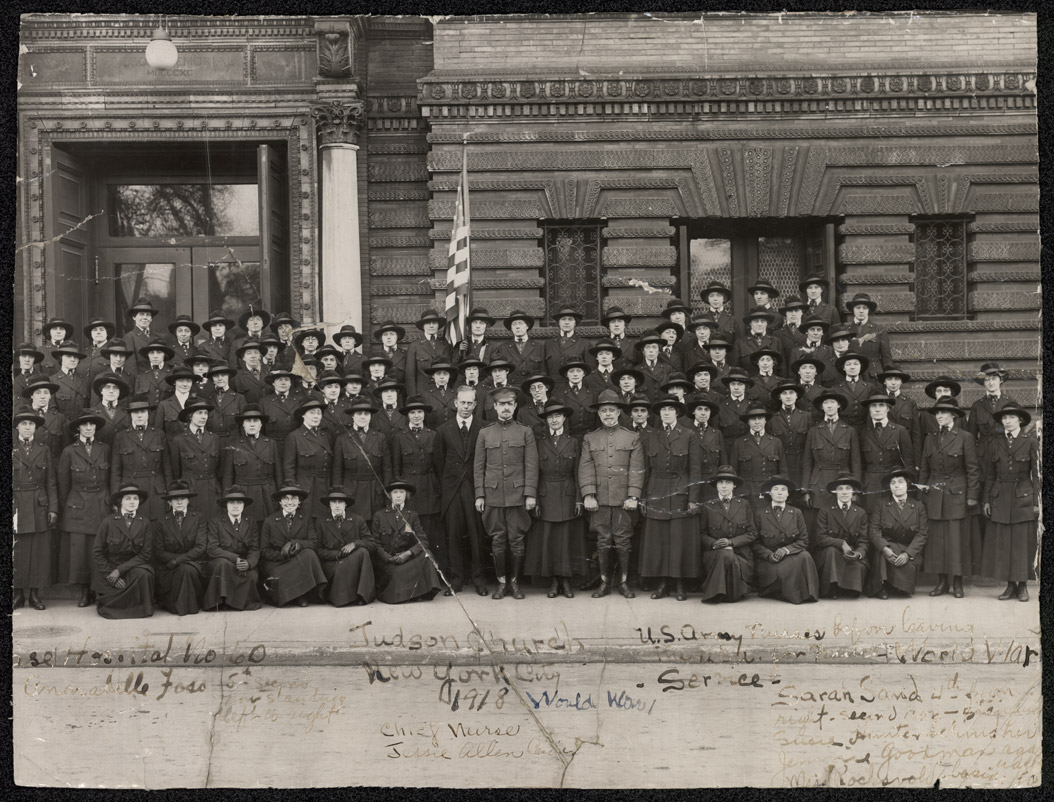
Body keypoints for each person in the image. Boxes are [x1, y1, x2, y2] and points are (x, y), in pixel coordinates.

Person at [578, 390, 645, 597]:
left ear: (618, 413)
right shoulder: (590, 438)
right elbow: (586, 467)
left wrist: (633, 496)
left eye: (611, 410)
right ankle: (605, 583)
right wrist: (588, 494)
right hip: (599, 500)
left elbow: (637, 469)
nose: (608, 414)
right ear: (598, 414)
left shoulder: (632, 437)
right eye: (604, 411)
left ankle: (624, 582)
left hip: (623, 500)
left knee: (623, 540)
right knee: (603, 540)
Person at [475, 387, 539, 599]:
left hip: (517, 495)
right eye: (501, 405)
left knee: (516, 540)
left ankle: (515, 583)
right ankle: (502, 583)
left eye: (509, 404)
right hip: (493, 496)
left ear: (514, 406)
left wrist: (530, 494)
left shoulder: (525, 432)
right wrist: (480, 495)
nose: (505, 408)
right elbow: (479, 466)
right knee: (498, 540)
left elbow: (531, 465)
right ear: (494, 407)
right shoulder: (485, 433)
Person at [638, 396, 703, 601]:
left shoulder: (688, 434)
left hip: (680, 492)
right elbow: (646, 470)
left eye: (670, 409)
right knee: (659, 541)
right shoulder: (651, 436)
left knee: (679, 540)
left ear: (678, 413)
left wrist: (693, 499)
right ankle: (663, 583)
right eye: (663, 409)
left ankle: (680, 583)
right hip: (656, 492)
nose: (666, 413)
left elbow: (695, 469)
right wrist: (643, 498)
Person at [917, 399, 979, 598]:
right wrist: (922, 493)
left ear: (953, 415)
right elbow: (925, 468)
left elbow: (972, 469)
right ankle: (942, 582)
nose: (939, 416)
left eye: (944, 413)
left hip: (957, 494)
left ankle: (958, 583)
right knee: (937, 541)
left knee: (956, 540)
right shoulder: (930, 437)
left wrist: (972, 496)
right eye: (937, 413)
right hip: (934, 494)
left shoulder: (965, 437)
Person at [525, 400, 586, 599]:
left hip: (568, 495)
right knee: (549, 539)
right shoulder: (539, 442)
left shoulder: (574, 442)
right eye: (550, 416)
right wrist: (534, 497)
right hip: (546, 495)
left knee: (567, 540)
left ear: (564, 418)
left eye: (557, 416)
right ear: (546, 420)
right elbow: (534, 472)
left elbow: (579, 473)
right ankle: (553, 581)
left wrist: (579, 499)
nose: (554, 420)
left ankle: (566, 581)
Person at [434, 386, 488, 595]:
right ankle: (456, 581)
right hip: (453, 491)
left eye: (470, 403)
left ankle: (479, 580)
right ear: (455, 403)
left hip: (476, 490)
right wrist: (449, 486)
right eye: (462, 402)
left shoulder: (483, 428)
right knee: (454, 536)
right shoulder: (443, 430)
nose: (466, 407)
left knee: (477, 537)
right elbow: (439, 464)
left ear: (475, 405)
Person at [981, 406, 1038, 602]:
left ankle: (1022, 585)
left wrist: (1037, 502)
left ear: (1020, 420)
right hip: (1000, 497)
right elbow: (989, 475)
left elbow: (1037, 476)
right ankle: (1009, 586)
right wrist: (987, 500)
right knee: (1004, 543)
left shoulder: (1031, 442)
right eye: (1004, 417)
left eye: (1012, 417)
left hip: (1023, 496)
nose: (1007, 421)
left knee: (1021, 543)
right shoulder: (995, 444)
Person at [58, 410, 111, 607]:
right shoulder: (69, 451)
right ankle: (83, 591)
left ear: (96, 428)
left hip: (100, 503)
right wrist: (70, 505)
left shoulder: (104, 448)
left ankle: (97, 588)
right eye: (85, 425)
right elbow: (63, 484)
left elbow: (111, 476)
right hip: (78, 504)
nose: (89, 428)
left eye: (92, 425)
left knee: (99, 547)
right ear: (78, 428)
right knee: (80, 550)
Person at [391, 395, 445, 580]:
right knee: (409, 532)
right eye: (412, 412)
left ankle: (434, 576)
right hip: (410, 490)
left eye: (419, 412)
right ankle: (413, 576)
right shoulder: (399, 437)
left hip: (430, 488)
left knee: (430, 533)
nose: (416, 416)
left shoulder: (433, 435)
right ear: (407, 415)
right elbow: (396, 470)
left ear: (424, 414)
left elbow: (439, 466)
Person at [12, 409, 58, 611]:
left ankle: (35, 594)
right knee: (18, 550)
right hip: (17, 504)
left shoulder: (44, 449)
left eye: (31, 424)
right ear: (17, 427)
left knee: (38, 550)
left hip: (40, 504)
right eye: (24, 424)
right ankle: (18, 593)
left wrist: (53, 508)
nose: (28, 427)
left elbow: (51, 481)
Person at [372, 479, 442, 603]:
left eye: (401, 492)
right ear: (389, 495)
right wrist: (388, 558)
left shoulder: (412, 515)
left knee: (427, 555)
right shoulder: (380, 515)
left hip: (406, 559)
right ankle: (411, 594)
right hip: (388, 562)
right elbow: (374, 543)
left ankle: (420, 592)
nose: (398, 495)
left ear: (406, 495)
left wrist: (408, 553)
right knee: (396, 574)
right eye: (395, 492)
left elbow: (423, 540)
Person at [258, 484, 328, 607]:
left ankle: (302, 595)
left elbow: (314, 542)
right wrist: (283, 555)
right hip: (276, 562)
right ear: (280, 502)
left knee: (310, 554)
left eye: (294, 498)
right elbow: (264, 550)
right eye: (285, 498)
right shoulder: (270, 521)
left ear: (299, 501)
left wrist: (297, 544)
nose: (290, 502)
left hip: (298, 559)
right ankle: (298, 597)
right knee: (281, 574)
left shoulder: (306, 519)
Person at [92, 484, 155, 619]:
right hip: (110, 570)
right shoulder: (108, 522)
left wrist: (119, 571)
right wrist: (110, 574)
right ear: (120, 501)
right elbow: (97, 552)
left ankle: (140, 608)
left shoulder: (144, 523)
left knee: (145, 574)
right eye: (128, 498)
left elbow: (145, 554)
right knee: (108, 606)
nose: (132, 502)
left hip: (132, 568)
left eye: (135, 498)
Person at [752, 476, 819, 604]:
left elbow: (803, 540)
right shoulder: (759, 514)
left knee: (805, 556)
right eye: (776, 489)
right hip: (770, 561)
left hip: (790, 554)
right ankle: (793, 595)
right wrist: (769, 555)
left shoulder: (796, 512)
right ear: (769, 493)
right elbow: (755, 543)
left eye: (783, 489)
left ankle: (809, 594)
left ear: (788, 494)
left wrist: (786, 550)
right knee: (793, 565)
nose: (779, 492)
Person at [698, 466, 757, 603]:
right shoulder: (708, 506)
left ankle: (714, 592)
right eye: (721, 482)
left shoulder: (744, 504)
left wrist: (731, 543)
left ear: (734, 485)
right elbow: (702, 534)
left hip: (741, 554)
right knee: (725, 554)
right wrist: (713, 543)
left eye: (728, 482)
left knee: (728, 554)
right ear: (716, 485)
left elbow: (752, 533)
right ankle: (723, 593)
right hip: (714, 554)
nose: (724, 486)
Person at [868, 468, 928, 598]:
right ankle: (881, 587)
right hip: (888, 547)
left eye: (900, 482)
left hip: (908, 549)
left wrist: (908, 554)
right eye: (893, 483)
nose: (896, 486)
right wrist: (884, 548)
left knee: (906, 585)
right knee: (881, 555)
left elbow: (922, 534)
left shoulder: (918, 506)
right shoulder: (881, 504)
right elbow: (874, 529)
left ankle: (899, 587)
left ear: (907, 484)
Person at [110, 394, 171, 521]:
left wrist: (169, 494)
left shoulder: (159, 434)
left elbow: (167, 468)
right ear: (130, 415)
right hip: (131, 492)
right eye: (135, 412)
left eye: (142, 412)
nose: (139, 416)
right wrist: (116, 498)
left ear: (148, 413)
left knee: (157, 529)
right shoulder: (121, 437)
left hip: (156, 491)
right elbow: (116, 471)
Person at [332, 396, 392, 522]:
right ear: (352, 416)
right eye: (359, 413)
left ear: (371, 416)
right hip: (352, 492)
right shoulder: (342, 439)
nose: (363, 417)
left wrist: (387, 494)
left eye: (366, 413)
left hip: (374, 492)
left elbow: (386, 469)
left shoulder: (380, 438)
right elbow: (337, 471)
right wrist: (339, 496)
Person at [203, 486, 263, 611]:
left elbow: (254, 548)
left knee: (251, 575)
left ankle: (236, 603)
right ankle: (221, 601)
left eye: (239, 502)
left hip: (243, 564)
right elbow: (212, 548)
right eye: (231, 502)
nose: (235, 506)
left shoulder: (250, 521)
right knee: (222, 564)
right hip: (223, 562)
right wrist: (236, 559)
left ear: (244, 505)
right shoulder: (216, 521)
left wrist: (249, 563)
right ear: (226, 505)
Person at [801, 390, 862, 513]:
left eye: (833, 402)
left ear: (838, 405)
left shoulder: (850, 431)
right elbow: (807, 463)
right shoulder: (814, 431)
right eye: (826, 402)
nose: (829, 406)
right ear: (821, 407)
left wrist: (855, 490)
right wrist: (805, 490)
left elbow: (856, 463)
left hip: (842, 483)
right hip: (819, 484)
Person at [153, 481, 208, 616]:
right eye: (175, 499)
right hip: (169, 568)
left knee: (186, 569)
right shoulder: (161, 521)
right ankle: (179, 604)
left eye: (182, 498)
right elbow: (159, 551)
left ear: (188, 500)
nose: (179, 502)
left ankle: (183, 606)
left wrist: (178, 560)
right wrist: (174, 562)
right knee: (183, 570)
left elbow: (201, 547)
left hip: (194, 565)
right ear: (169, 502)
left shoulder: (199, 518)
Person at [316, 487, 377, 606]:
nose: (337, 505)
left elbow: (372, 544)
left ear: (346, 504)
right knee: (342, 567)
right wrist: (338, 554)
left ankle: (363, 595)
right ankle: (342, 597)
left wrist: (355, 544)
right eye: (334, 502)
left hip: (352, 561)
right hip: (333, 563)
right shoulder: (321, 521)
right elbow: (317, 549)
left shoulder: (357, 519)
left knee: (363, 552)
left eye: (340, 502)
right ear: (329, 504)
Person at [812, 476, 870, 599]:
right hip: (829, 552)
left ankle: (851, 588)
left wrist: (858, 553)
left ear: (853, 492)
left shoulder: (860, 513)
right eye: (840, 489)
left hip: (851, 551)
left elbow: (864, 540)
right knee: (831, 552)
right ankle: (832, 587)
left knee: (858, 564)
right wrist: (841, 543)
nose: (844, 492)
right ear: (835, 492)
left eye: (848, 488)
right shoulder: (825, 511)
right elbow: (820, 538)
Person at [222, 405, 282, 520]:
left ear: (261, 424)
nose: (252, 424)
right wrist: (227, 498)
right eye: (248, 421)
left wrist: (279, 497)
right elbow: (228, 476)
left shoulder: (271, 443)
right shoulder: (234, 444)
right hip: (244, 495)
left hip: (267, 495)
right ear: (243, 424)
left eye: (256, 421)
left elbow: (278, 474)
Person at [859, 393, 914, 513]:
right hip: (871, 485)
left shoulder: (900, 431)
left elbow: (908, 462)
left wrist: (906, 486)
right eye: (873, 406)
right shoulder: (863, 433)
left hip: (893, 484)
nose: (877, 409)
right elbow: (859, 463)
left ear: (888, 408)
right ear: (869, 409)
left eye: (881, 405)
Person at [169, 397, 222, 518]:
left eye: (205, 413)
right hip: (191, 490)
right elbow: (176, 471)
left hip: (212, 490)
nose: (203, 417)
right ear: (189, 416)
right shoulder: (179, 440)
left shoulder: (214, 438)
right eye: (199, 413)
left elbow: (219, 468)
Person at [283, 397, 335, 519]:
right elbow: (289, 467)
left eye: (319, 413)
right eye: (312, 413)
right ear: (303, 415)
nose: (316, 416)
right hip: (305, 488)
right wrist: (293, 492)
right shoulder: (294, 436)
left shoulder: (326, 435)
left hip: (324, 486)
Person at [729, 406, 785, 507]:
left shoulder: (776, 442)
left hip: (769, 489)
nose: (757, 422)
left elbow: (783, 470)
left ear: (765, 421)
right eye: (753, 419)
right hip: (747, 491)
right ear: (748, 422)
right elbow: (734, 472)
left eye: (760, 418)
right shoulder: (739, 442)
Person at [405, 309, 452, 396]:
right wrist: (413, 397)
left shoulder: (445, 345)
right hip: (422, 393)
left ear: (438, 325)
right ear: (423, 326)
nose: (431, 326)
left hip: (441, 392)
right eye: (428, 323)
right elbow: (410, 376)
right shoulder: (415, 346)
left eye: (434, 323)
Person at [846, 293, 892, 382]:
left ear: (869, 310)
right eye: (858, 308)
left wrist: (887, 377)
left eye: (865, 308)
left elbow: (886, 357)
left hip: (872, 375)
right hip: (852, 373)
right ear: (853, 310)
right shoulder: (846, 330)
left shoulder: (879, 330)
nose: (861, 311)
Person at [22, 374, 69, 461]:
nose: (42, 396)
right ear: (31, 396)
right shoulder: (23, 417)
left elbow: (65, 449)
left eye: (46, 392)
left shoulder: (60, 418)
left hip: (53, 469)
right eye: (38, 392)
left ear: (50, 396)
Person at [50, 341, 90, 421]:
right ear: (60, 358)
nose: (73, 359)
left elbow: (89, 407)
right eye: (68, 356)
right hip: (62, 427)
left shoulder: (85, 380)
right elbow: (52, 409)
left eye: (75, 357)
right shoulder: (52, 380)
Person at [122, 299, 159, 372]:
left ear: (151, 318)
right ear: (134, 317)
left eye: (148, 315)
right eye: (141, 314)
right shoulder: (129, 337)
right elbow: (130, 367)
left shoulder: (156, 338)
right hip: (140, 381)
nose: (145, 317)